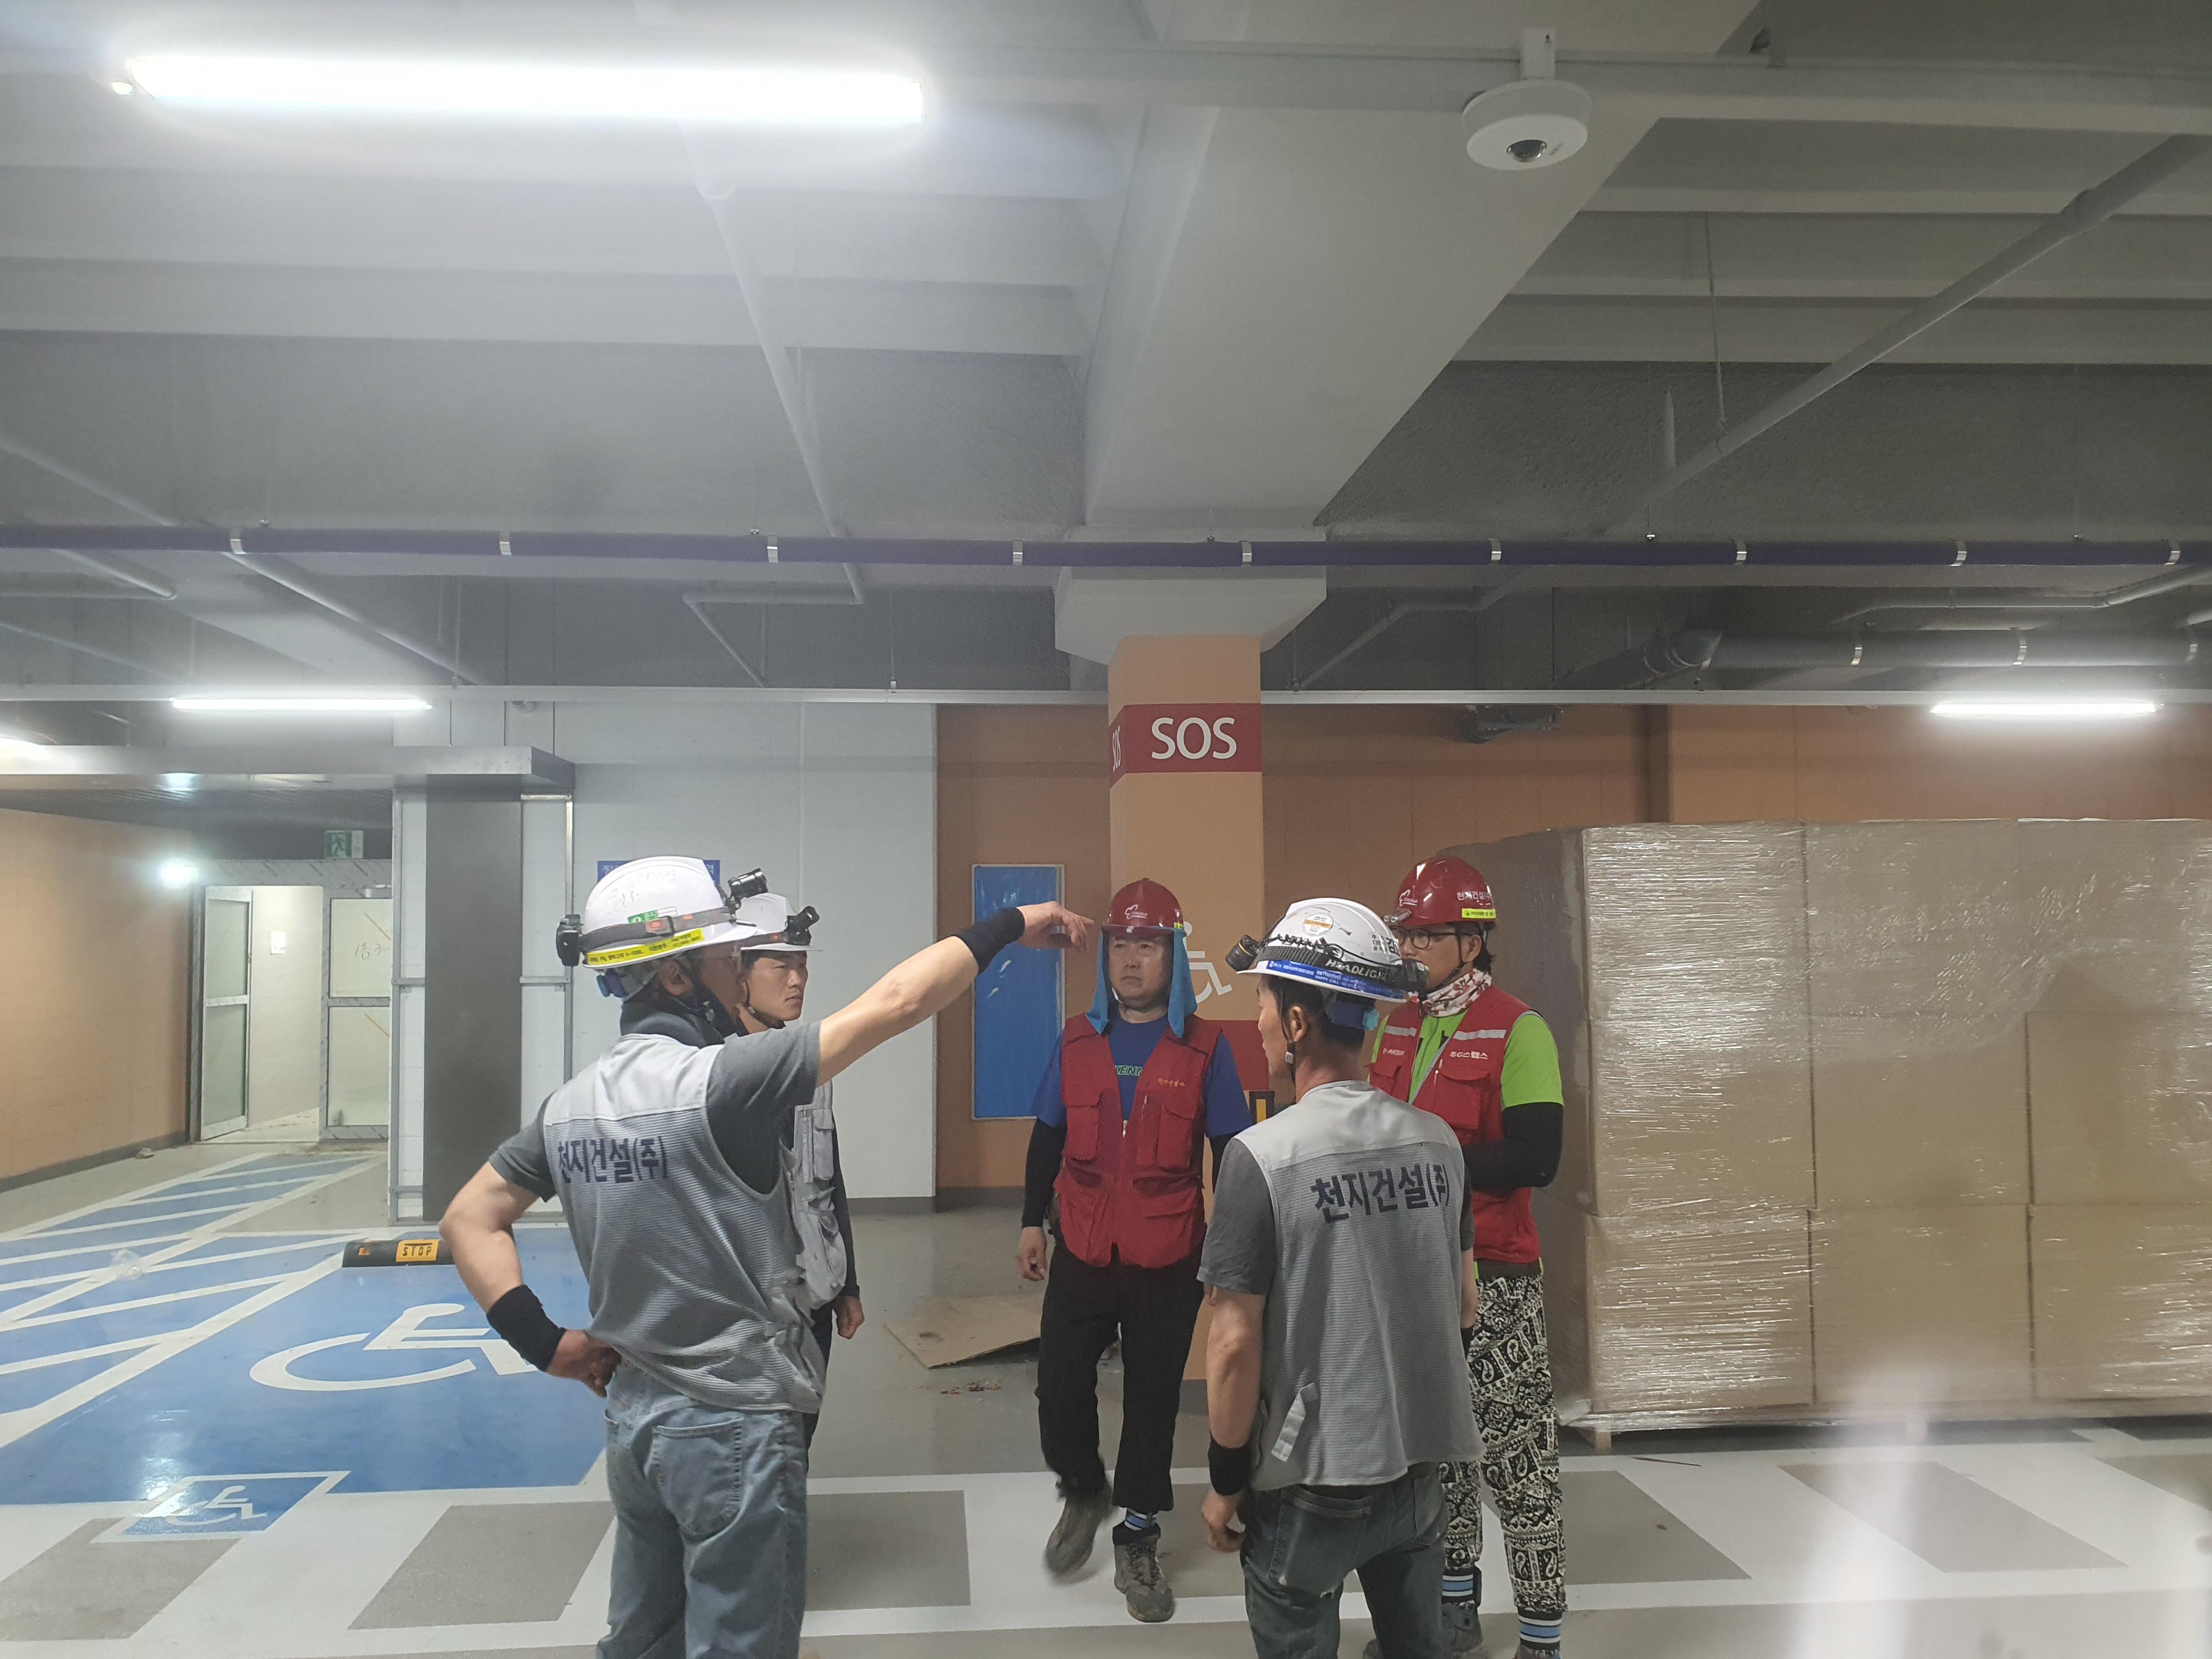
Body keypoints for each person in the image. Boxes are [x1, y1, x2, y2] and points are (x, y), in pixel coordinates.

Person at [438, 856, 1091, 1659]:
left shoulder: (567, 1109)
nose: (737, 971)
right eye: (726, 959)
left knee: (642, 1636)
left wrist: (549, 1346)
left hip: (634, 1426)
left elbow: (469, 1218)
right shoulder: (724, 1081)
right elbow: (898, 1002)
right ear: (677, 977)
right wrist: (1012, 923)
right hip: (736, 1427)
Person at [1197, 897, 1482, 1659]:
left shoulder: (1261, 1158)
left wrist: (1226, 1478)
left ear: (1298, 1024)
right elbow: (1464, 1306)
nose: (1257, 1019)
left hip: (1308, 1486)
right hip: (1418, 1475)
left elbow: (1233, 1345)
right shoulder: (1438, 1143)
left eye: (1264, 1000)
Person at [1016, 877, 1253, 1622]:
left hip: (1169, 1256)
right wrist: (1030, 1222)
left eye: (1148, 946)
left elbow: (1232, 1156)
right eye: (1121, 944)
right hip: (1083, 1247)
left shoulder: (1206, 1048)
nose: (1130, 959)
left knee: (1152, 1403)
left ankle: (1139, 1533)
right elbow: (1048, 1135)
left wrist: (1231, 1254)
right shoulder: (1077, 1040)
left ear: (1173, 956)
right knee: (1059, 1388)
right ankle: (1084, 1490)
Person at [1366, 857, 1566, 1659]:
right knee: (1437, 1458)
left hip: (1496, 1276)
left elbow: (1537, 1157)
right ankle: (1453, 1613)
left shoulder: (1520, 1029)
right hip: (1411, 1276)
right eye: (1405, 934)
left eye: (1426, 935)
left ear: (1472, 942)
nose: (1410, 948)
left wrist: (1428, 1159)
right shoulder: (1397, 1025)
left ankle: (1542, 1634)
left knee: (1519, 1464)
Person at [723, 889, 862, 1446]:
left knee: (797, 1443)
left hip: (814, 1294)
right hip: (746, 1308)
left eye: (801, 966)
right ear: (739, 975)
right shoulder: (711, 1069)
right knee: (752, 1448)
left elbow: (827, 1181)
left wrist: (849, 1284)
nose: (797, 980)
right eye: (781, 967)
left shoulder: (811, 1065)